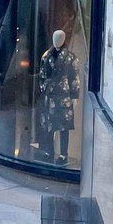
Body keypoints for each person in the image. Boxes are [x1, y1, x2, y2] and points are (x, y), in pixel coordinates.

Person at [37, 28, 81, 166]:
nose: (56, 41)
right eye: (55, 38)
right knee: (48, 125)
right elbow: (42, 75)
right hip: (49, 95)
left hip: (63, 96)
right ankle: (49, 151)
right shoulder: (46, 56)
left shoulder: (70, 58)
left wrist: (74, 96)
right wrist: (43, 89)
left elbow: (74, 77)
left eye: (59, 38)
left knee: (63, 126)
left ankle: (63, 154)